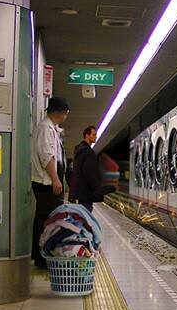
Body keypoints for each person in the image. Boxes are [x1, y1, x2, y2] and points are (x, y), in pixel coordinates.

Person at [31, 96, 70, 268]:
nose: (66, 116)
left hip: (49, 180)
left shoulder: (52, 128)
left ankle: (43, 255)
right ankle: (42, 257)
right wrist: (55, 179)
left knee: (48, 218)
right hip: (46, 182)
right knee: (47, 220)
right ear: (57, 112)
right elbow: (47, 156)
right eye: (65, 113)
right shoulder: (45, 128)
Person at [70, 125, 115, 213]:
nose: (96, 137)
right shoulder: (88, 152)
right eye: (94, 135)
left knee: (82, 215)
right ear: (87, 135)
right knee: (86, 215)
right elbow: (90, 173)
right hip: (87, 193)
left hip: (81, 192)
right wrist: (98, 190)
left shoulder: (79, 151)